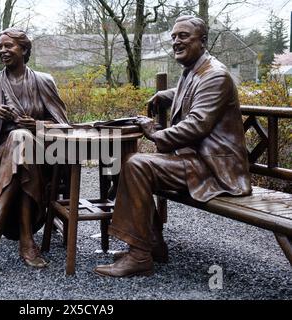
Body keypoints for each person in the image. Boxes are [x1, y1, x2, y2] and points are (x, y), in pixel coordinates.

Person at [93, 15, 252, 277]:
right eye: (174, 37)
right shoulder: (195, 70)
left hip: (216, 168)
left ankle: (140, 256)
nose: (176, 41)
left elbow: (197, 125)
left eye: (183, 36)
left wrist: (154, 132)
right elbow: (187, 91)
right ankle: (152, 244)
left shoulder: (216, 75)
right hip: (197, 159)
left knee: (137, 164)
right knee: (130, 161)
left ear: (202, 41)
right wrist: (164, 95)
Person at [0, 28, 68, 268]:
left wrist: (37, 124)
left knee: (22, 139)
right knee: (19, 140)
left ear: (24, 49)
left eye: (8, 46)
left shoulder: (44, 81)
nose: (3, 51)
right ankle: (26, 240)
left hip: (42, 158)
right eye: (0, 46)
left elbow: (63, 125)